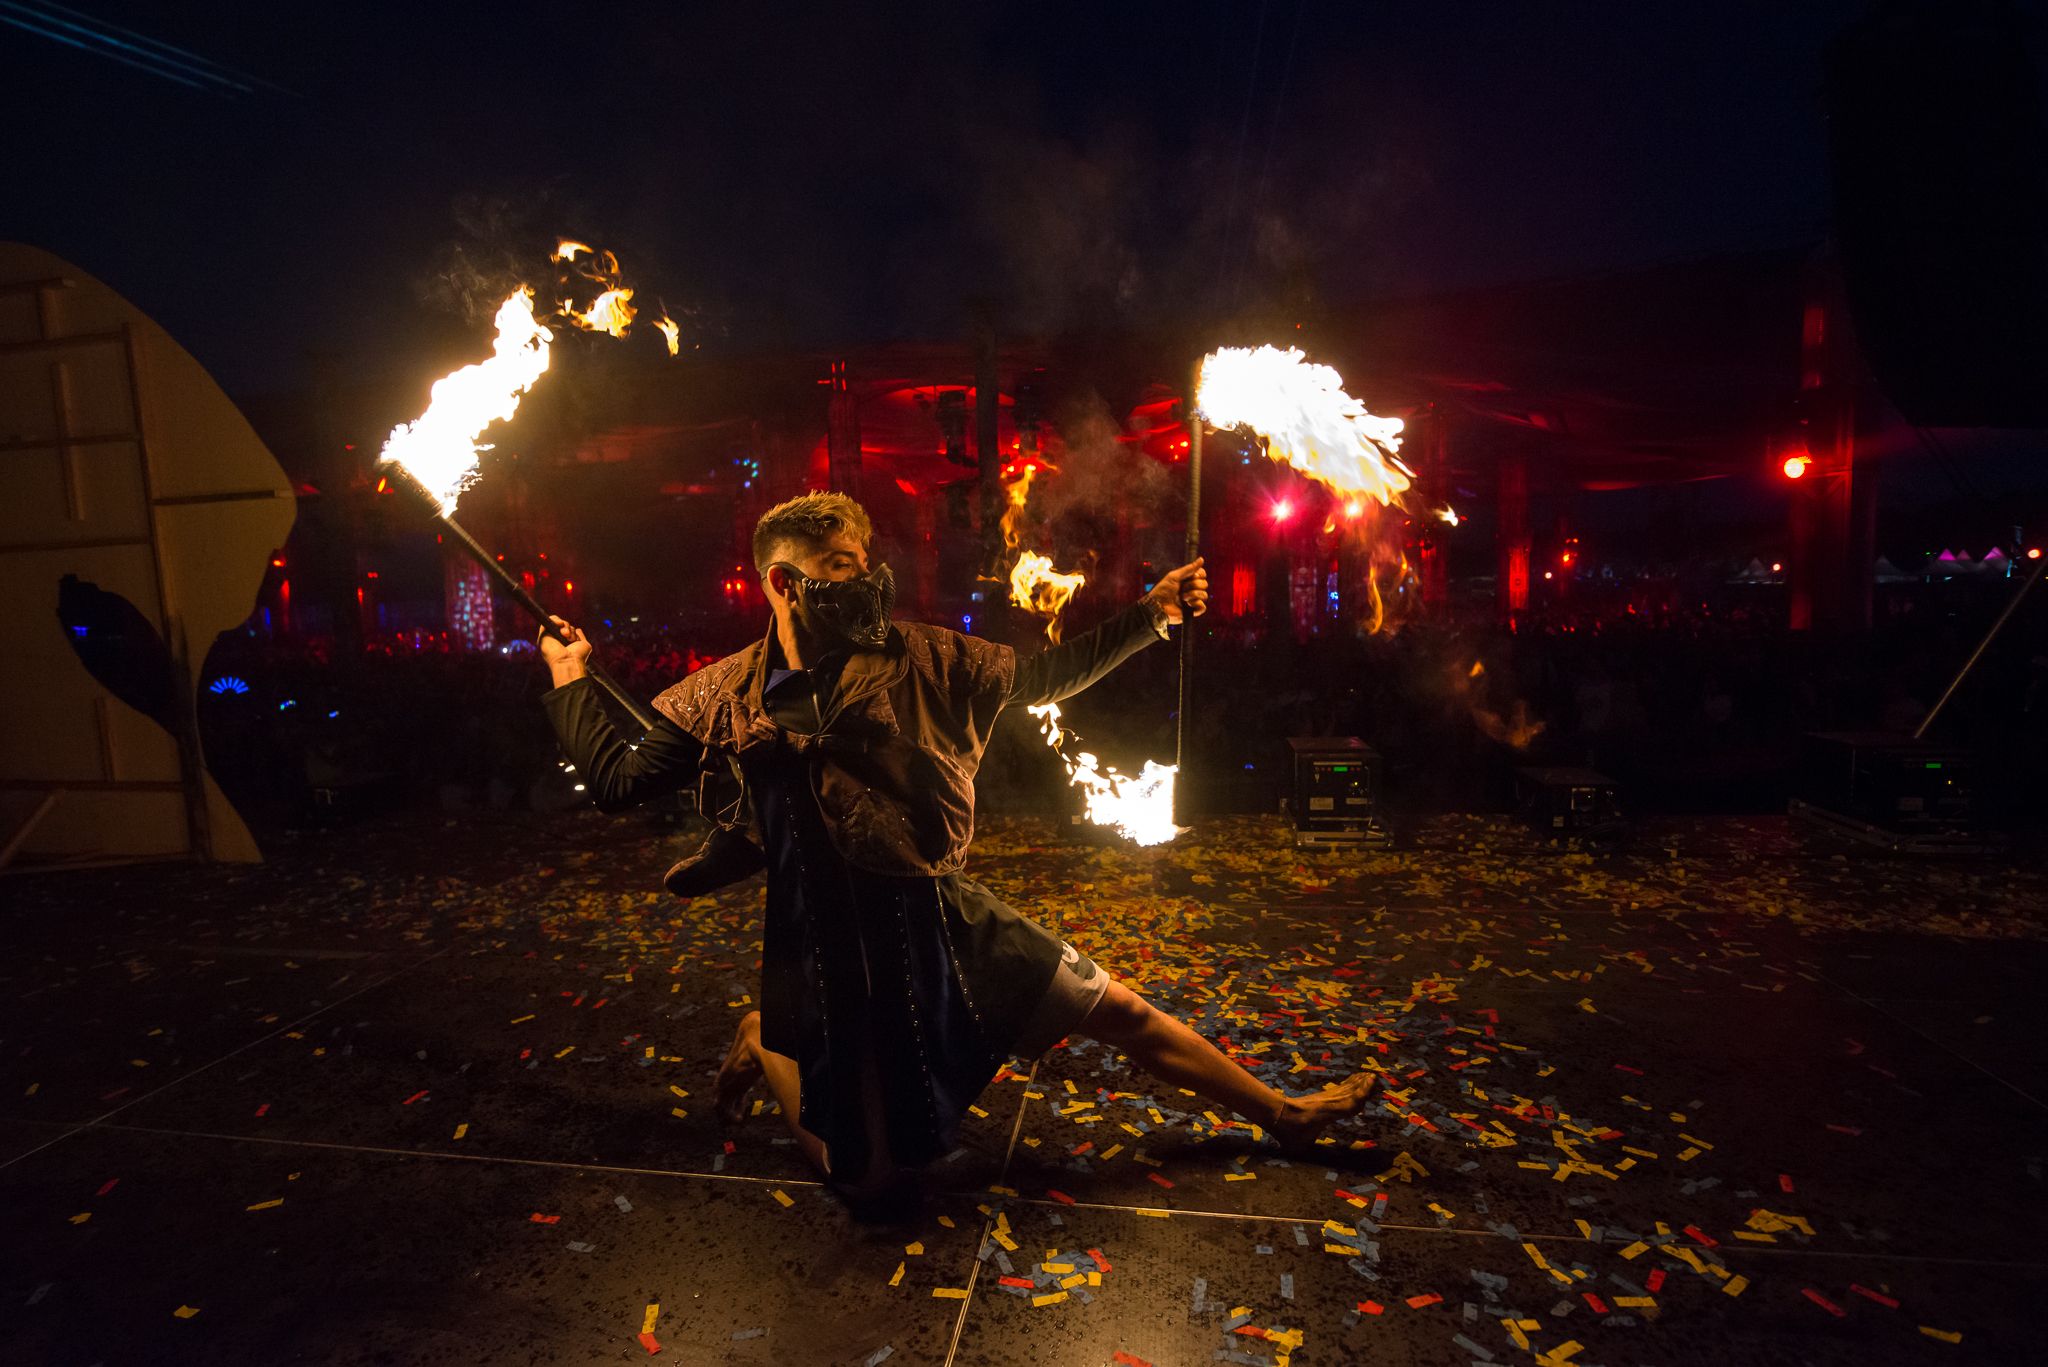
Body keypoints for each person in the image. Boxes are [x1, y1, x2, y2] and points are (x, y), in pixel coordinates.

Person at [538, 492, 1376, 1209]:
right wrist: (570, 675)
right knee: (867, 1184)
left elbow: (1045, 678)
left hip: (940, 911)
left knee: (1117, 1008)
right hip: (830, 948)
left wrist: (1151, 614)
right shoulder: (723, 693)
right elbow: (616, 780)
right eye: (839, 565)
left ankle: (1284, 1113)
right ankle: (766, 1040)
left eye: (864, 561)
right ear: (784, 582)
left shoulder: (923, 656)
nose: (865, 578)